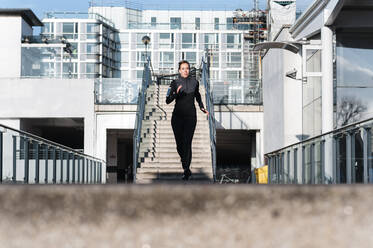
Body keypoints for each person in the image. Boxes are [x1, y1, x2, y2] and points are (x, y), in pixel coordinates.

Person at [166, 60, 209, 180]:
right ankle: (185, 165)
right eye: (183, 68)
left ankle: (186, 169)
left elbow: (198, 95)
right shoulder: (174, 83)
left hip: (190, 117)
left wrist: (201, 107)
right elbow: (167, 100)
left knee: (187, 142)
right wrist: (176, 94)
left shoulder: (195, 82)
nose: (185, 70)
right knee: (179, 145)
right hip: (177, 117)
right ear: (179, 70)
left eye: (187, 68)